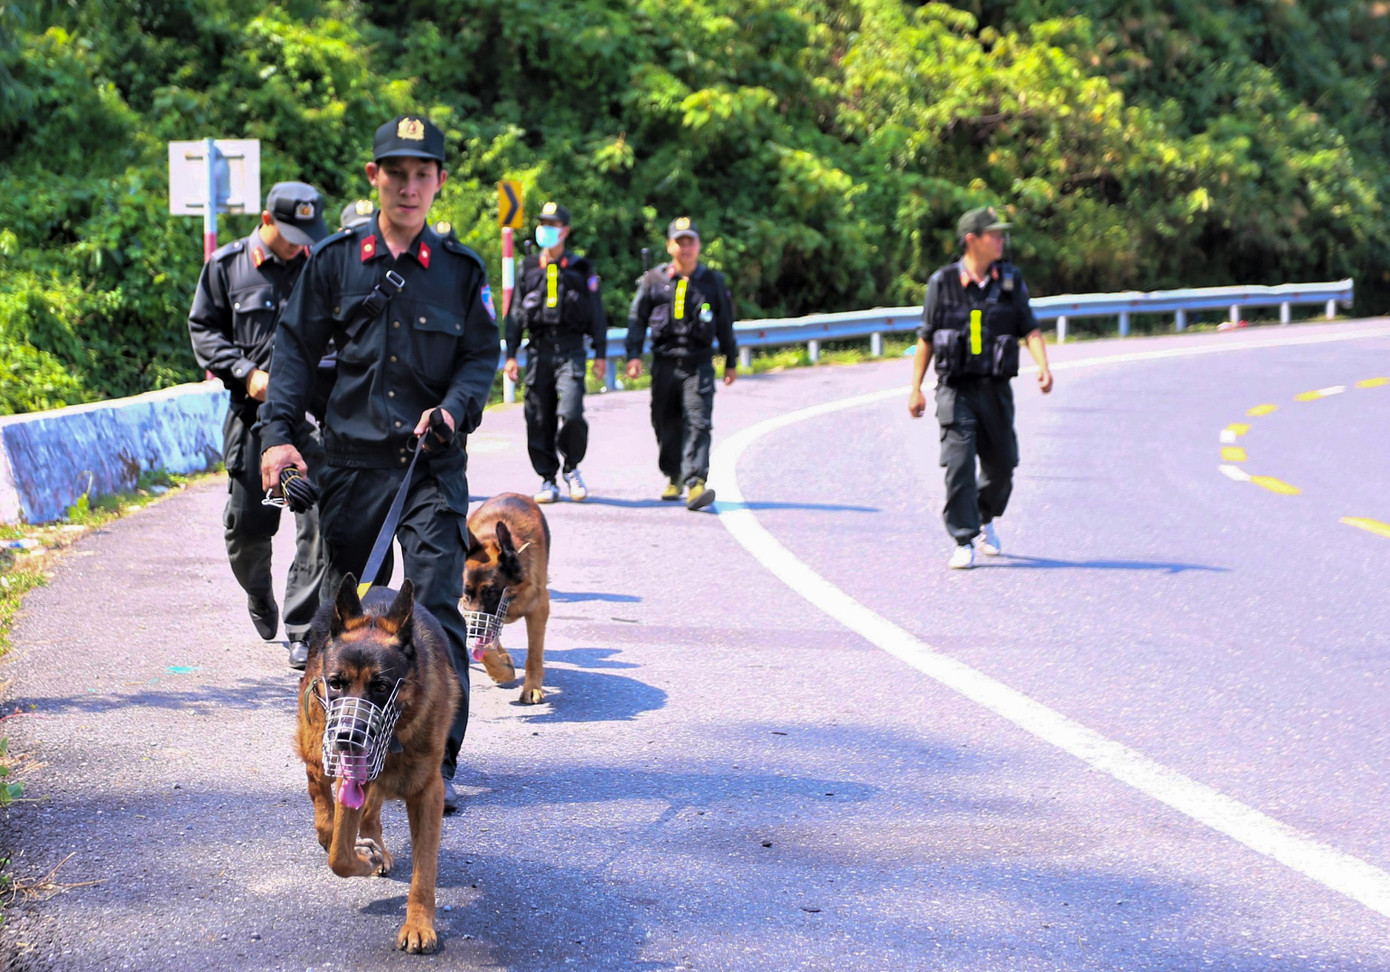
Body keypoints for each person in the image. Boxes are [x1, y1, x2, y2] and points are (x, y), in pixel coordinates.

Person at [258, 115, 500, 813]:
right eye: (397, 173)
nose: (409, 187)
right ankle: (338, 753)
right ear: (375, 177)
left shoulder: (460, 271)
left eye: (423, 174)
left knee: (436, 609)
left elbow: (480, 356)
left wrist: (453, 408)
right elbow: (294, 351)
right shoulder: (336, 262)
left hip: (429, 465)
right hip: (351, 466)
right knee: (343, 616)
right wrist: (279, 437)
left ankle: (433, 764)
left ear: (439, 181)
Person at [187, 181, 330, 669]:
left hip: (312, 415)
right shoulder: (227, 266)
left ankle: (303, 627)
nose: (298, 245)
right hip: (252, 415)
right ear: (266, 221)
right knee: (247, 525)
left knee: (320, 520)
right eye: (291, 234)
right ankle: (258, 592)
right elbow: (204, 330)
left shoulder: (319, 267)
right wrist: (246, 373)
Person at [908, 206, 1054, 569]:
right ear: (972, 240)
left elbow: (1030, 328)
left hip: (995, 390)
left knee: (1003, 465)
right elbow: (926, 338)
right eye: (994, 234)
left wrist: (1043, 366)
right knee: (958, 464)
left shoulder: (1010, 280)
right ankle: (963, 538)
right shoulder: (942, 282)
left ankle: (984, 515)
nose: (1001, 240)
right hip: (955, 390)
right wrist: (916, 388)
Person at [624, 217, 737, 510]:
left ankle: (695, 482)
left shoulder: (712, 282)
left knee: (698, 421)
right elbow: (637, 319)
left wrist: (731, 359)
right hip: (663, 363)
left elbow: (725, 322)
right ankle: (673, 473)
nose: (685, 248)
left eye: (690, 242)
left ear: (698, 246)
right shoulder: (654, 280)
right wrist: (633, 355)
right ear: (669, 246)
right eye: (679, 242)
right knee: (665, 420)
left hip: (698, 363)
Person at [503, 201, 608, 504]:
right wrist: (511, 354)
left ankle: (571, 467)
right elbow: (515, 313)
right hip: (538, 350)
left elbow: (596, 313)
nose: (545, 230)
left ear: (565, 231)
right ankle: (548, 478)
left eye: (552, 225)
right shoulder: (527, 267)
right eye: (543, 224)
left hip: (571, 350)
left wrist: (601, 353)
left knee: (571, 413)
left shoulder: (581, 268)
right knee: (538, 417)